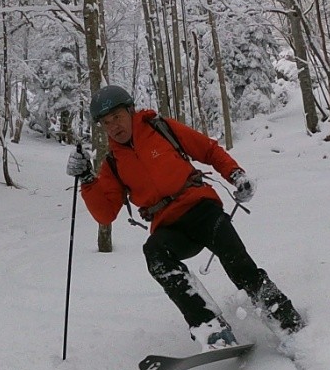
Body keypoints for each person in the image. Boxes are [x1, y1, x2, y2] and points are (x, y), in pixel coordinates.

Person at [66, 84, 305, 350]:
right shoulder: (113, 164)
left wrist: (235, 174)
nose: (114, 127)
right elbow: (105, 213)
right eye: (106, 123)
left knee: (238, 262)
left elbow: (207, 150)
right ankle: (211, 328)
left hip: (202, 209)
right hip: (169, 227)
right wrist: (87, 180)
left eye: (117, 117)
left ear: (131, 111)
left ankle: (286, 320)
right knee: (154, 252)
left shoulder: (161, 129)